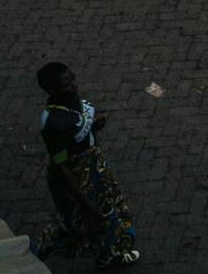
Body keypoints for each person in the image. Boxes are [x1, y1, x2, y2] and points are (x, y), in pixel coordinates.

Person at [31, 62, 140, 268]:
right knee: (77, 223)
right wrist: (87, 205)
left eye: (73, 79)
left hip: (94, 169)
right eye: (67, 84)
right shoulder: (54, 122)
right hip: (78, 178)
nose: (74, 85)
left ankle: (110, 254)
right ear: (51, 90)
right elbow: (61, 166)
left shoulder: (70, 99)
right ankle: (35, 254)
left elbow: (83, 125)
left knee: (109, 213)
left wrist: (95, 124)